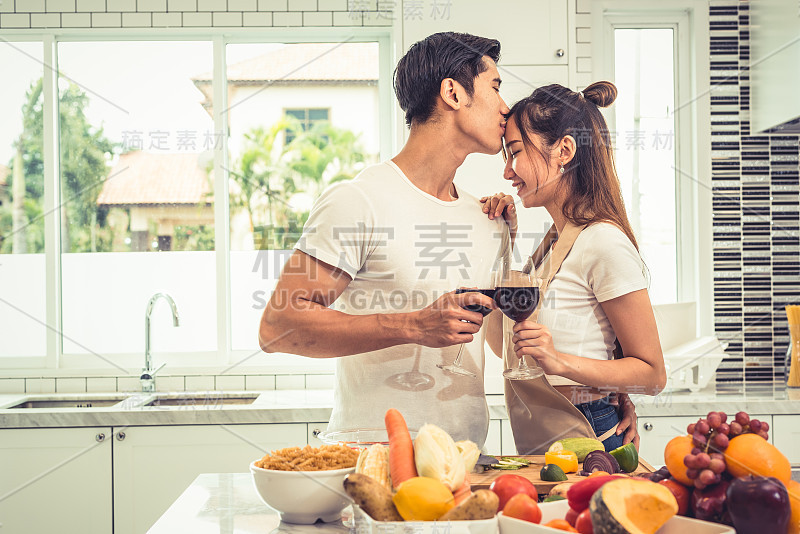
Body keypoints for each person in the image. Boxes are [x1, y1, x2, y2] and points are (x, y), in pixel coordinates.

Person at [258, 32, 511, 447]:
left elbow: (499, 343)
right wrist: (412, 324)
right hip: (371, 460)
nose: (505, 107)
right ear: (452, 92)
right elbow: (277, 327)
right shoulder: (355, 200)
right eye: (495, 87)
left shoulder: (485, 218)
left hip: (466, 461)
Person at [487, 81, 666, 451]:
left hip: (588, 432)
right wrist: (499, 239)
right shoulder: (551, 244)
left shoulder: (602, 241)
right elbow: (500, 344)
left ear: (564, 150)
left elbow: (652, 375)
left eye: (515, 152)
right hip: (548, 439)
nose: (507, 171)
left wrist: (559, 361)